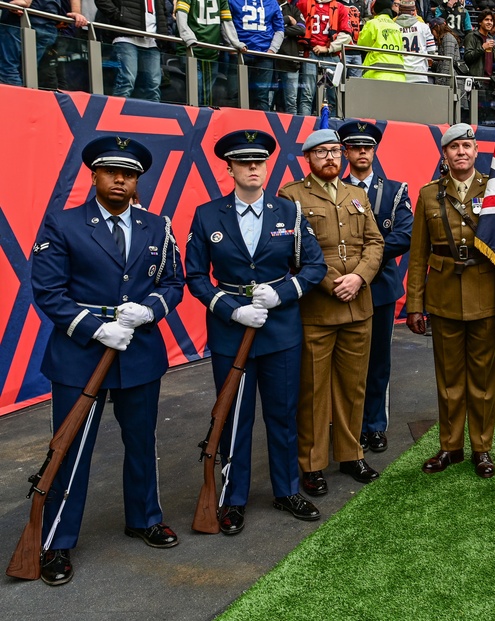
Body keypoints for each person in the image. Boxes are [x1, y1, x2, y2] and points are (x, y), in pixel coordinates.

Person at [29, 136, 184, 586]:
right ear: (94, 175)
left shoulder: (159, 226)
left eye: (130, 174)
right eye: (112, 172)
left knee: (142, 443)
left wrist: (151, 309)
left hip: (139, 350)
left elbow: (172, 282)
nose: (121, 179)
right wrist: (94, 327)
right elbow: (49, 293)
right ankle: (56, 540)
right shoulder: (64, 224)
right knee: (71, 449)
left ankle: (144, 517)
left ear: (137, 180)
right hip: (81, 354)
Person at [185, 130, 328, 535]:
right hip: (232, 332)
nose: (253, 168)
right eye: (244, 162)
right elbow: (195, 276)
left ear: (267, 167)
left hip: (280, 329)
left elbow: (314, 267)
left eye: (259, 162)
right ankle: (233, 496)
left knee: (283, 414)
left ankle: (286, 489)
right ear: (228, 168)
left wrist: (281, 292)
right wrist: (232, 310)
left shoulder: (289, 212)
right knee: (233, 417)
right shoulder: (207, 215)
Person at [276, 128, 385, 492]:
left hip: (359, 305)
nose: (330, 158)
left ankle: (352, 454)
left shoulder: (357, 194)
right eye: (321, 152)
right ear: (308, 158)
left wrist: (359, 278)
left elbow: (375, 242)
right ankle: (312, 463)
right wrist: (332, 281)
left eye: (335, 152)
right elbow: (294, 251)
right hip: (317, 308)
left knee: (353, 387)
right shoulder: (291, 195)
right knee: (313, 390)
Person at [405, 124, 495, 479]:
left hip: (485, 293)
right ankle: (450, 446)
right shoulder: (430, 194)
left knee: (482, 379)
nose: (460, 152)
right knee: (448, 379)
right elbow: (418, 255)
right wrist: (415, 304)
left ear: (476, 152)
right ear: (444, 155)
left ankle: (482, 447)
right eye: (453, 147)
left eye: (466, 146)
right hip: (443, 295)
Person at [338, 121, 414, 453]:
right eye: (355, 147)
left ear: (374, 150)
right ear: (346, 152)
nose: (362, 152)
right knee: (342, 364)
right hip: (341, 289)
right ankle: (344, 425)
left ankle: (374, 425)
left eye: (367, 147)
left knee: (377, 362)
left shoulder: (395, 190)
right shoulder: (332, 190)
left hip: (379, 287)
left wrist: (364, 262)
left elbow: (404, 235)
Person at [94, 0, 170, 101]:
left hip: (152, 41)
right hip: (126, 37)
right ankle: (115, 114)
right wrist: (119, 16)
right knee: (126, 80)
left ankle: (151, 115)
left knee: (153, 85)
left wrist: (163, 32)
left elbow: (163, 12)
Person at [176, 0, 243, 106]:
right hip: (190, 51)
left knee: (208, 95)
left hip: (211, 53)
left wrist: (235, 42)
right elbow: (181, 15)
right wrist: (187, 36)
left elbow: (226, 21)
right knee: (196, 90)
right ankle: (192, 119)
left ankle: (204, 119)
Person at [297, 0, 352, 116]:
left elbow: (347, 35)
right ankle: (305, 127)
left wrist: (328, 48)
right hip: (312, 54)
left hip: (330, 56)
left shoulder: (340, 7)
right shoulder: (304, 3)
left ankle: (330, 129)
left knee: (332, 98)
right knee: (307, 95)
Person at [230, 0, 285, 110]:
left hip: (264, 56)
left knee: (261, 97)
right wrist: (232, 44)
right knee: (235, 94)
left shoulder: (272, 3)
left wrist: (272, 50)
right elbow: (226, 23)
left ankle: (260, 127)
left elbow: (279, 29)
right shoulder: (233, 1)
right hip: (239, 53)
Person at [357, 0, 407, 81]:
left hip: (376, 72)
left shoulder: (372, 23)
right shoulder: (396, 26)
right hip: (398, 74)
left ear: (375, 9)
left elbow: (362, 44)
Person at [396, 0, 438, 83]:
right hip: (419, 74)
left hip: (400, 74)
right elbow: (431, 51)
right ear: (413, 11)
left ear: (399, 11)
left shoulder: (393, 27)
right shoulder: (423, 27)